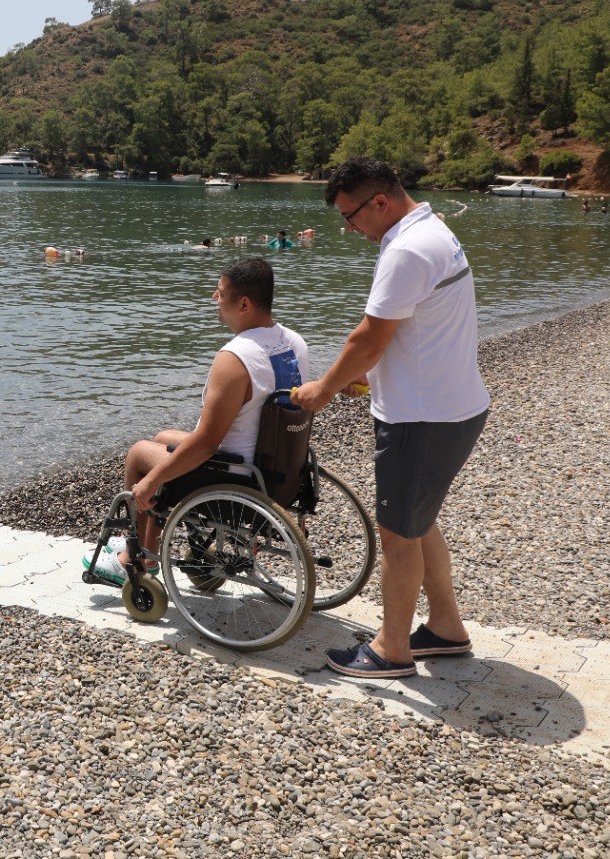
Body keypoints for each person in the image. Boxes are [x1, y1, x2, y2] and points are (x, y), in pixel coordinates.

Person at [292, 158, 489, 679]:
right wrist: (369, 373)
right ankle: (446, 628)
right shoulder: (431, 230)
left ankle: (391, 650)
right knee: (418, 523)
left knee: (399, 535)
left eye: (350, 216)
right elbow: (412, 328)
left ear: (379, 202)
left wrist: (322, 389)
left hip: (421, 419)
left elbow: (369, 337)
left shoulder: (405, 249)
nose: (348, 227)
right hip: (452, 406)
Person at [88, 258, 309, 580]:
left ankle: (136, 560)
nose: (214, 298)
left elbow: (206, 444)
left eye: (221, 293)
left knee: (139, 454)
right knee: (163, 437)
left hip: (238, 476)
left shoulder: (235, 358)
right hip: (279, 467)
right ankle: (155, 544)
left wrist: (151, 481)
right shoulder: (294, 342)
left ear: (244, 304)